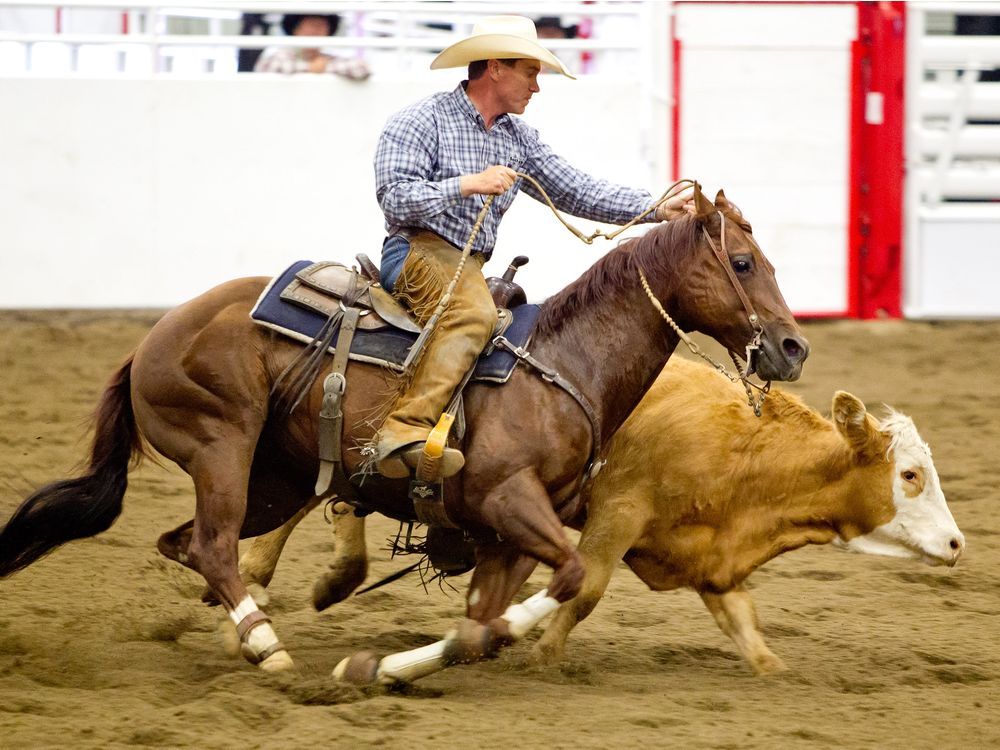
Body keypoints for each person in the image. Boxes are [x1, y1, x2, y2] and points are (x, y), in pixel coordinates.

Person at [372, 15, 692, 479]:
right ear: (497, 67)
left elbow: (575, 190)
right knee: (474, 317)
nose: (536, 87)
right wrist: (466, 185)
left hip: (467, 265)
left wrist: (657, 207)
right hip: (416, 252)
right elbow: (394, 194)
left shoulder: (516, 138)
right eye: (530, 72)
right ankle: (405, 428)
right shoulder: (421, 120)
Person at [254, 13, 369, 80]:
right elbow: (271, 67)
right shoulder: (280, 55)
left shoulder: (330, 59)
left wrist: (323, 67)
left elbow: (362, 69)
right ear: (295, 29)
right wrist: (310, 68)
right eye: (310, 25)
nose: (316, 30)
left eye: (321, 26)